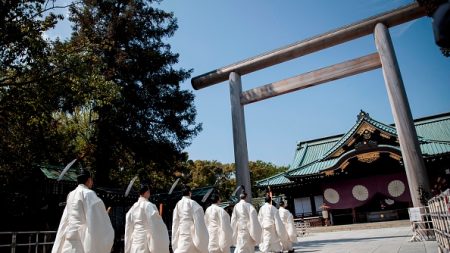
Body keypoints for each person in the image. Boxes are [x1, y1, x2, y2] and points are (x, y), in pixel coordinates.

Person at [52, 169, 114, 253]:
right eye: (91, 180)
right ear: (88, 180)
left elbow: (66, 218)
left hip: (68, 241)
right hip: (80, 242)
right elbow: (95, 218)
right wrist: (104, 215)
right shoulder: (88, 194)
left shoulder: (71, 194)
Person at [124, 184, 170, 253]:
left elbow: (128, 225)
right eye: (149, 192)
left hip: (135, 240)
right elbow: (156, 224)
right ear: (146, 192)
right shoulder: (148, 205)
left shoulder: (133, 207)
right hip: (144, 240)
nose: (149, 193)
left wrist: (127, 246)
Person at [172, 185, 209, 253]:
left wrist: (174, 237)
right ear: (190, 193)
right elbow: (199, 221)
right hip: (191, 232)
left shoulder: (178, 204)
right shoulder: (193, 203)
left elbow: (175, 221)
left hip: (181, 231)